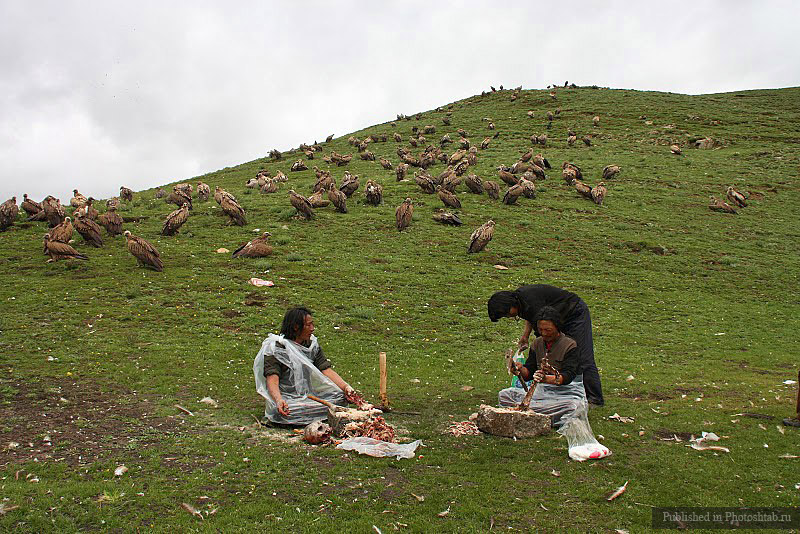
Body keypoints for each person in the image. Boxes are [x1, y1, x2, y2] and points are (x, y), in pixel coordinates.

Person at [488, 284, 604, 406]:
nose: (508, 316)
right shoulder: (520, 301)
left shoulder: (531, 301)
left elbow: (539, 318)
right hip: (555, 318)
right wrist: (525, 336)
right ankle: (551, 391)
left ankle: (594, 398)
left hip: (574, 313)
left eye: (507, 313)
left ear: (510, 304)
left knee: (583, 356)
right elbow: (531, 317)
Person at [253, 307, 355, 425]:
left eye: (312, 324)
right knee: (281, 411)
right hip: (287, 397)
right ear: (296, 327)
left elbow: (325, 369)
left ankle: (311, 410)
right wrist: (279, 400)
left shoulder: (311, 345)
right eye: (308, 325)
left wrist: (346, 388)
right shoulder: (276, 348)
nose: (312, 328)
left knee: (341, 398)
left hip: (308, 395)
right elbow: (272, 378)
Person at [498, 306, 585, 427]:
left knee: (572, 407)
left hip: (566, 393)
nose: (544, 333)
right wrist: (519, 369)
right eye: (540, 329)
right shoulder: (537, 343)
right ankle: (540, 414)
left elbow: (568, 376)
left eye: (548, 330)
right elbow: (529, 372)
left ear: (557, 327)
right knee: (504, 395)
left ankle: (533, 413)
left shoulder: (570, 345)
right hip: (542, 392)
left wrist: (546, 379)